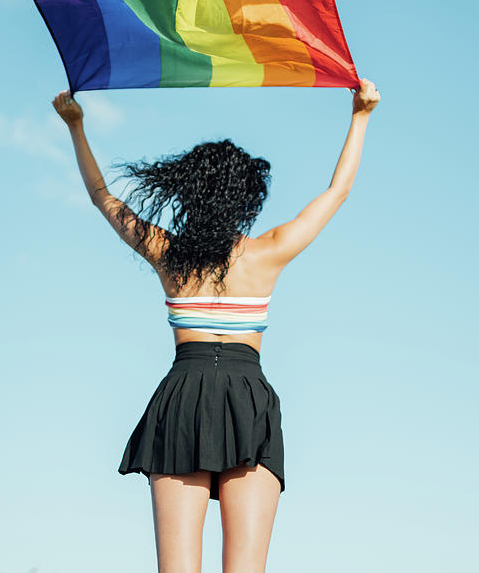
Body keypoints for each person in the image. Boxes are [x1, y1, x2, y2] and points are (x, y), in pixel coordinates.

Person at [52, 79, 380, 573]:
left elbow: (104, 198)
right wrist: (361, 116)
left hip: (182, 398)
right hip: (248, 400)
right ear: (246, 196)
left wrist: (76, 127)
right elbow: (337, 193)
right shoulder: (269, 251)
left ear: (188, 192)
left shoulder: (167, 253)